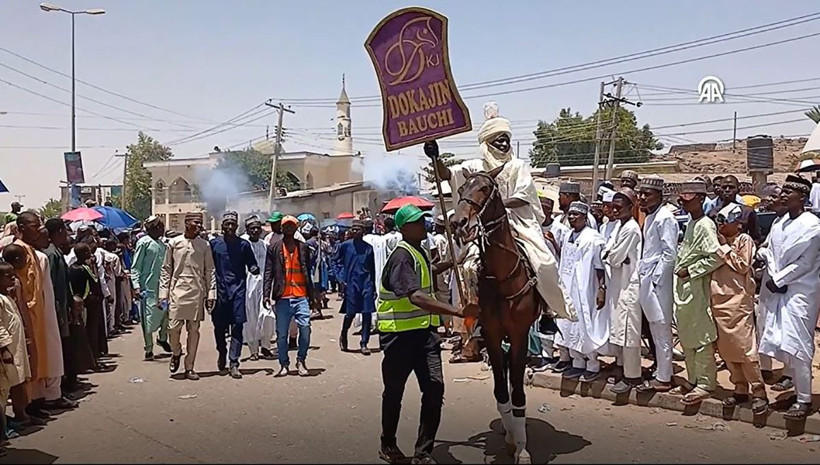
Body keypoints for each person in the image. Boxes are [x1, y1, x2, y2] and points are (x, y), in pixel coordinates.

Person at [429, 101, 574, 324]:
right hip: (482, 226)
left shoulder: (518, 166)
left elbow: (523, 196)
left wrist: (496, 204)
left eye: (506, 139)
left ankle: (547, 311)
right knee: (468, 266)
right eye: (500, 140)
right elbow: (448, 174)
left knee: (545, 262)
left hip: (518, 223)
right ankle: (474, 317)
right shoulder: (475, 167)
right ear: (488, 142)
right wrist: (435, 156)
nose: (505, 144)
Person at [376, 204, 466, 464]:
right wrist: (457, 311)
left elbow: (430, 269)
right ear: (404, 228)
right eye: (416, 222)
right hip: (399, 337)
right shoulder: (402, 256)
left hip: (425, 335)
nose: (422, 225)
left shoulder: (419, 251)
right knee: (394, 392)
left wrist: (454, 262)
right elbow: (415, 296)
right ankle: (388, 444)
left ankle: (423, 452)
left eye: (423, 220)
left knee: (435, 388)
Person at [759, 174, 820, 419]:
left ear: (802, 198)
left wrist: (780, 279)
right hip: (778, 289)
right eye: (783, 191)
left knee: (799, 345)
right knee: (784, 342)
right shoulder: (780, 223)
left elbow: (805, 263)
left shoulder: (812, 226)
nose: (783, 195)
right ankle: (796, 392)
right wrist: (768, 268)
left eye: (789, 192)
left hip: (800, 293)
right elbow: (771, 251)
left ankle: (805, 400)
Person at [710, 203, 768, 414]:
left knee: (745, 348)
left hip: (738, 302)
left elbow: (743, 265)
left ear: (738, 224)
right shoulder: (716, 240)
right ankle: (740, 387)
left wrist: (725, 247)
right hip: (719, 300)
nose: (721, 226)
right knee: (726, 348)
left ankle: (759, 391)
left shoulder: (744, 240)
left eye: (725, 222)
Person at [674, 180, 721, 406]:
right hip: (683, 288)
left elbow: (716, 256)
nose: (683, 201)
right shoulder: (691, 224)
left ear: (701, 199)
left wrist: (691, 270)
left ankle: (705, 383)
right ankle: (693, 379)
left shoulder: (705, 225)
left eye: (688, 198)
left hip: (696, 285)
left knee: (701, 336)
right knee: (687, 334)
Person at [554, 202, 608, 383]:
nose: (571, 217)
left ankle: (592, 364)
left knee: (586, 324)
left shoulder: (594, 238)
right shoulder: (568, 235)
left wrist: (601, 289)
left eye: (576, 214)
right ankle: (577, 363)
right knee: (569, 324)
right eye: (570, 214)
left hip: (586, 288)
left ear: (585, 217)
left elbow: (600, 267)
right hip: (568, 287)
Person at [160, 212, 216, 381]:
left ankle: (189, 366)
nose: (199, 226)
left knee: (194, 331)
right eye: (196, 223)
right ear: (186, 223)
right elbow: (166, 269)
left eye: (200, 223)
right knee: (173, 328)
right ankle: (176, 352)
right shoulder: (174, 243)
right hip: (177, 291)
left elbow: (209, 270)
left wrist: (211, 294)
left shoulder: (204, 245)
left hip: (197, 292)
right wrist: (163, 294)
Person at [634, 175, 677, 393]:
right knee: (654, 328)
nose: (641, 198)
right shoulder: (651, 217)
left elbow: (670, 254)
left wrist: (657, 280)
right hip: (647, 279)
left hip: (657, 282)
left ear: (659, 196)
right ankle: (662, 370)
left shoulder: (665, 218)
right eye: (640, 194)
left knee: (661, 329)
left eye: (647, 194)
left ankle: (664, 377)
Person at [45, 219, 93, 394]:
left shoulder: (55, 252)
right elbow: (50, 285)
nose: (67, 235)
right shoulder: (51, 255)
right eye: (65, 231)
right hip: (57, 310)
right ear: (58, 232)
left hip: (63, 307)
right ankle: (59, 388)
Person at [210, 211, 259, 379]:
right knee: (219, 328)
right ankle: (222, 352)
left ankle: (234, 362)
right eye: (227, 224)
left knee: (238, 326)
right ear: (222, 227)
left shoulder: (244, 245)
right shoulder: (214, 245)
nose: (230, 227)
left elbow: (252, 263)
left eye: (233, 224)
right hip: (219, 292)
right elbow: (208, 267)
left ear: (237, 227)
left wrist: (254, 268)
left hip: (238, 290)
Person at [605, 188, 643, 394]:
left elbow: (613, 257)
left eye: (619, 207)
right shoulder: (618, 227)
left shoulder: (630, 228)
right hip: (619, 285)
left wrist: (613, 257)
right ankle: (625, 371)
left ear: (631, 207)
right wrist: (612, 256)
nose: (615, 210)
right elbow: (607, 252)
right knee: (622, 331)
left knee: (630, 334)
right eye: (613, 207)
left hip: (629, 286)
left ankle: (633, 377)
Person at [264, 215, 313, 377]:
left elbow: (308, 272)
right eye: (287, 226)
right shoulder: (274, 248)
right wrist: (266, 294)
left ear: (296, 228)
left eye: (292, 226)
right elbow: (268, 273)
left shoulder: (303, 248)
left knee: (305, 328)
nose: (289, 228)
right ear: (282, 228)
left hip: (301, 296)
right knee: (282, 334)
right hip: (282, 297)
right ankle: (284, 364)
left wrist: (313, 296)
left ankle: (301, 359)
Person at [131, 216, 170, 361]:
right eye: (160, 226)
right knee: (147, 320)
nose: (162, 229)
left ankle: (163, 337)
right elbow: (135, 267)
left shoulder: (162, 244)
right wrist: (136, 286)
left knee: (167, 314)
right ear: (153, 228)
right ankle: (149, 349)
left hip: (163, 289)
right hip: (147, 289)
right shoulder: (143, 243)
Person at [0, 260, 30, 444]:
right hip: (6, 352)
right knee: (3, 392)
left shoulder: (7, 296)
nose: (12, 277)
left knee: (12, 384)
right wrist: (4, 349)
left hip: (15, 348)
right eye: (7, 275)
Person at [336, 219, 376, 355]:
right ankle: (344, 333)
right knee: (350, 313)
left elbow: (373, 269)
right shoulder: (345, 246)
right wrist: (340, 278)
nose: (355, 231)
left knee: (367, 313)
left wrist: (374, 287)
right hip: (351, 283)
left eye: (357, 229)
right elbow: (336, 262)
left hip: (366, 283)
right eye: (353, 229)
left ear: (363, 231)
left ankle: (364, 343)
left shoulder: (369, 248)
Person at [240, 215, 273, 360]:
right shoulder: (242, 244)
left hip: (264, 287)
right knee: (250, 319)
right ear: (247, 230)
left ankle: (266, 346)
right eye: (252, 228)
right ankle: (253, 350)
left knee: (268, 316)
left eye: (257, 228)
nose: (255, 230)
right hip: (247, 286)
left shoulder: (265, 245)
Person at [710, 175, 762, 243]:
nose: (727, 190)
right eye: (724, 187)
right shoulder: (714, 213)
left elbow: (756, 237)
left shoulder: (747, 212)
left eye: (731, 187)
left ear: (738, 190)